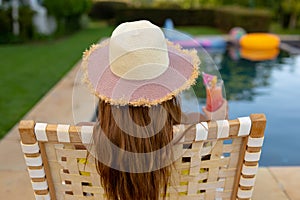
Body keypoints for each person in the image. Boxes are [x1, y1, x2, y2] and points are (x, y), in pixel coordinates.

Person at [81, 20, 227, 200]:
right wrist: (218, 121)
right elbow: (216, 174)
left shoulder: (83, 138)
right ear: (169, 91)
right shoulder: (196, 127)